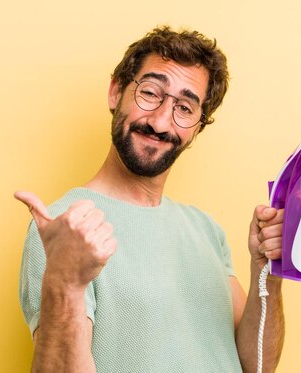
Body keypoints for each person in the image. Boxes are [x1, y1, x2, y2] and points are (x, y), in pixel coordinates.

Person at [15, 26, 285, 372]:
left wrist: (268, 274)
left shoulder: (206, 231)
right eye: (150, 92)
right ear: (116, 92)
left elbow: (256, 365)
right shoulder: (63, 229)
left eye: (185, 108)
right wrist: (64, 283)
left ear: (197, 128)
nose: (160, 122)